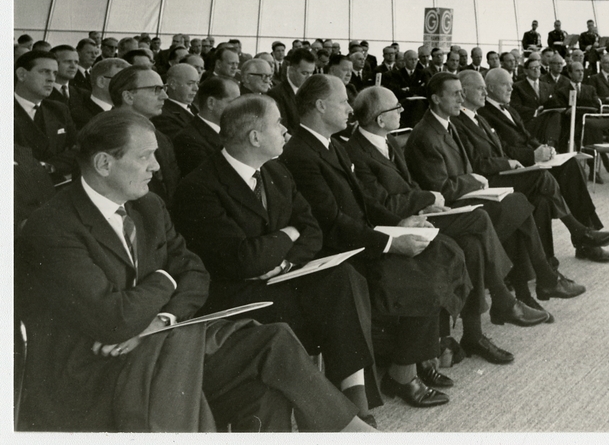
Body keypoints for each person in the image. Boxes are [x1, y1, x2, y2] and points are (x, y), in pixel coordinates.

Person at [16, 108, 373, 431]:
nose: (156, 167)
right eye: (145, 156)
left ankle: (349, 432)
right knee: (263, 365)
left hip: (156, 344)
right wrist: (166, 277)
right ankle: (353, 433)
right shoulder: (52, 227)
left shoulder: (148, 207)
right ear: (104, 163)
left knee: (270, 354)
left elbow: (197, 275)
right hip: (98, 374)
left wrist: (162, 319)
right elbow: (114, 320)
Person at [171, 95, 382, 423]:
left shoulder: (276, 172)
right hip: (237, 297)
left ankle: (354, 400)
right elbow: (244, 261)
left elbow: (312, 231)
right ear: (255, 137)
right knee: (333, 309)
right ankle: (342, 418)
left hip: (279, 279)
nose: (286, 131)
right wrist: (289, 234)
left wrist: (284, 258)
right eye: (278, 123)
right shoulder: (199, 187)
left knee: (344, 278)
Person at [279, 74, 471, 407]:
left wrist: (400, 223)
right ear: (321, 106)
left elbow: (365, 202)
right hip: (341, 251)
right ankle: (404, 373)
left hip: (361, 235)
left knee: (441, 249)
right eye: (343, 102)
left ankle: (420, 355)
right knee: (423, 272)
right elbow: (332, 223)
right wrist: (390, 242)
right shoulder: (300, 153)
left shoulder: (331, 144)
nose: (349, 109)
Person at [344, 86, 552, 330]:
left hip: (419, 214)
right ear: (380, 120)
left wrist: (426, 205)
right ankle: (504, 299)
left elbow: (408, 185)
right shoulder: (356, 153)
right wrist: (426, 199)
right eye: (396, 107)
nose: (402, 111)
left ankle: (474, 334)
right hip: (398, 226)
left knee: (474, 243)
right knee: (479, 218)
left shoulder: (387, 140)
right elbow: (382, 204)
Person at [410, 71, 606, 277]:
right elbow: (474, 164)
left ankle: (550, 267)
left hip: (499, 171)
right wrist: (519, 160)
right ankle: (575, 235)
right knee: (539, 181)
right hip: (484, 182)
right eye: (480, 89)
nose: (484, 93)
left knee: (551, 188)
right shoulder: (455, 123)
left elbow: (508, 145)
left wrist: (539, 151)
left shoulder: (476, 118)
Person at [475, 68, 609, 264]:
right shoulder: (483, 113)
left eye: (511, 84)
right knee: (546, 187)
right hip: (516, 167)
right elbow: (501, 149)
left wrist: (543, 148)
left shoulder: (509, 109)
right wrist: (532, 155)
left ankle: (586, 238)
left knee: (571, 165)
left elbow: (527, 137)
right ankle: (581, 236)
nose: (511, 88)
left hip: (531, 161)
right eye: (505, 84)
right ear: (490, 88)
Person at [107, 66, 182, 206]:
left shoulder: (161, 138)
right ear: (128, 96)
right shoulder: (104, 137)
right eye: (156, 89)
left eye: (164, 88)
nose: (165, 96)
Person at [15, 49, 78, 181]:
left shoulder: (59, 109)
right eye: (44, 72)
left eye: (54, 73)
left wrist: (52, 166)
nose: (51, 79)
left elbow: (79, 148)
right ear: (21, 74)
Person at [173, 76, 239, 177]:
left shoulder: (232, 132)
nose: (239, 108)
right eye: (233, 102)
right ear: (211, 103)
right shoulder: (188, 139)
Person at [269, 47, 317, 134]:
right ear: (291, 70)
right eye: (304, 73)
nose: (309, 78)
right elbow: (282, 129)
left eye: (311, 73)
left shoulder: (313, 93)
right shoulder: (276, 94)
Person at [154, 63, 201, 137]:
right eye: (190, 84)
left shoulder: (196, 107)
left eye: (197, 83)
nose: (196, 88)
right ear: (173, 84)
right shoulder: (163, 116)